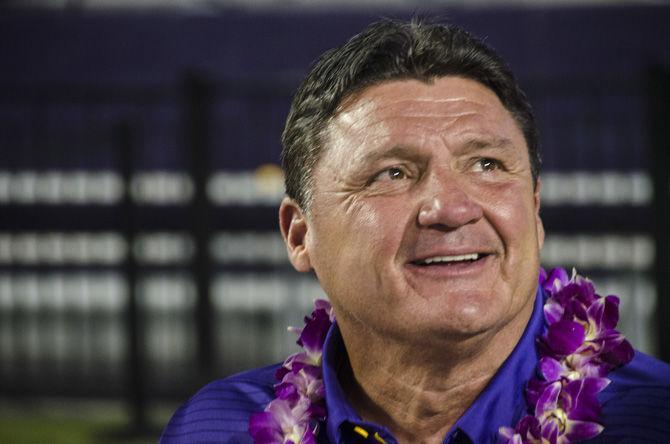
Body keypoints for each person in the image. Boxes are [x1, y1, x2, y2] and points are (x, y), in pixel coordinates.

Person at [160, 19, 670, 444]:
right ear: (299, 234)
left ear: (534, 211)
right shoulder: (216, 429)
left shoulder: (649, 421)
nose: (451, 208)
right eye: (393, 173)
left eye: (487, 164)